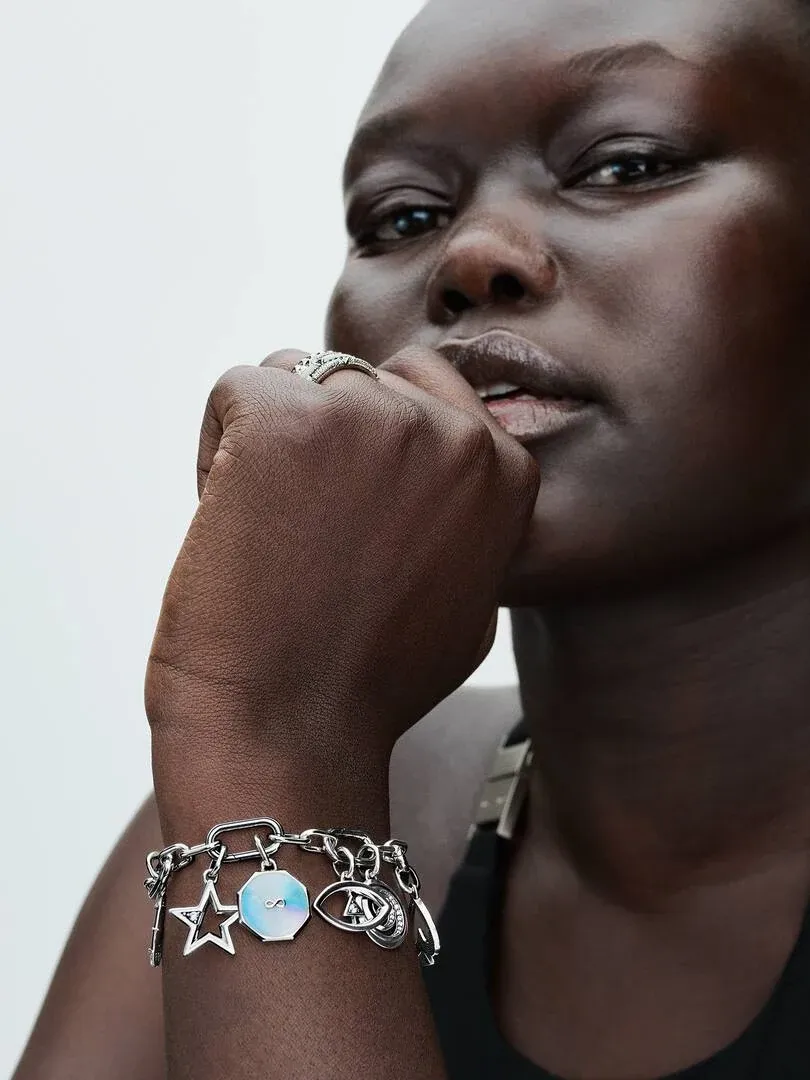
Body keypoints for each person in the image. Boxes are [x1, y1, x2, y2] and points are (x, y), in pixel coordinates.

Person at [13, 0, 810, 1076]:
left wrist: (274, 758)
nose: (470, 257)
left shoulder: (270, 769)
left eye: (625, 165)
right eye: (401, 216)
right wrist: (276, 748)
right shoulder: (322, 787)